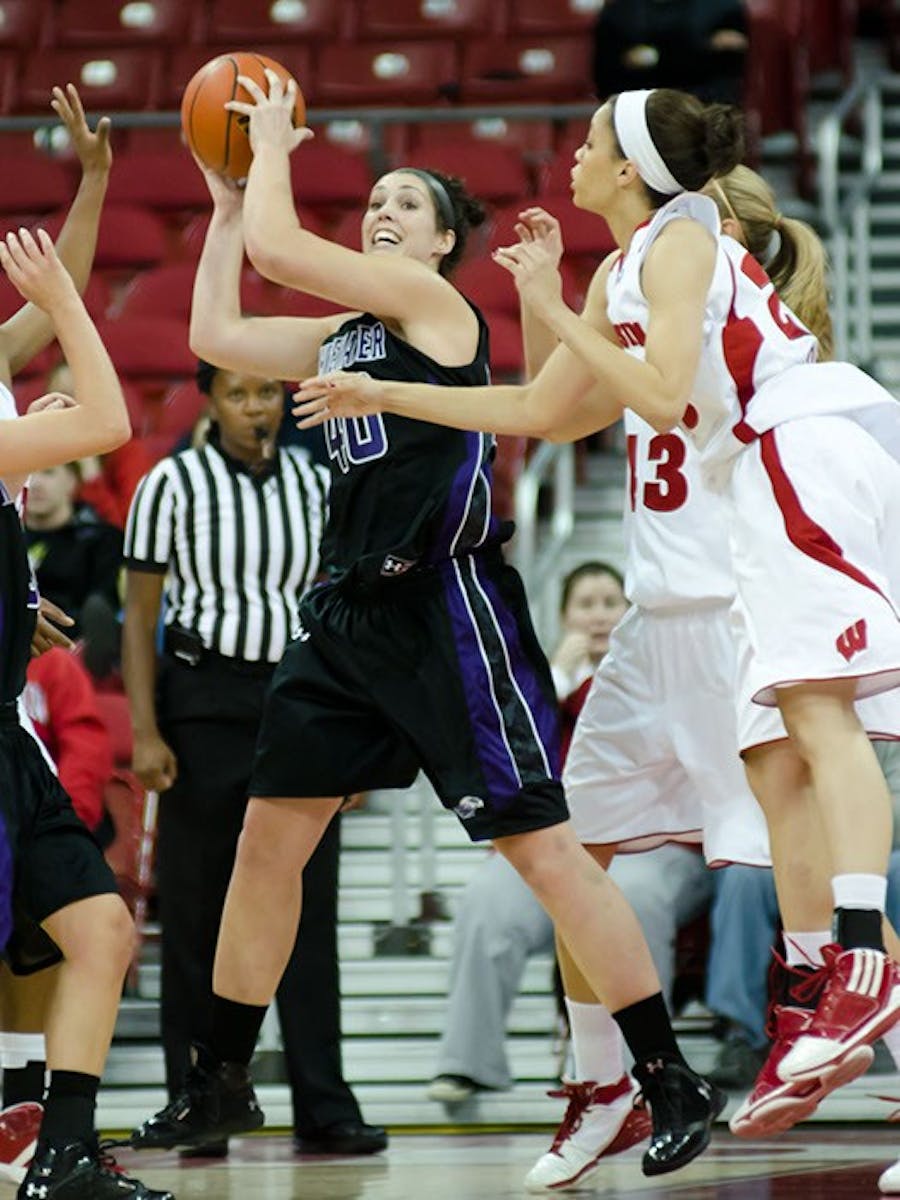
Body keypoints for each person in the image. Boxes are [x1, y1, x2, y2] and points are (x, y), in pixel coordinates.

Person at [128, 71, 725, 1179]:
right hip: (343, 614)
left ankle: (666, 1076)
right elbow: (216, 327)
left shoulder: (436, 310)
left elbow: (283, 251)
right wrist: (225, 205)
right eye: (376, 201)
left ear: (445, 243)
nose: (384, 211)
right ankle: (218, 1078)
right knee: (267, 843)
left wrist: (271, 149)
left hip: (448, 606)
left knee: (543, 851)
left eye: (408, 203)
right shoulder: (343, 335)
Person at [294, 88, 900, 1159]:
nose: (569, 155)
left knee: (795, 808)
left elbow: (658, 396)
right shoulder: (625, 272)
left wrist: (552, 304)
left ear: (633, 168)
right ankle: (605, 1080)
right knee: (578, 850)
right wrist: (390, 395)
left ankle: (841, 982)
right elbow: (541, 410)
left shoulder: (687, 244)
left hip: (731, 602)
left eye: (587, 143)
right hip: (656, 616)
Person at [122, 356, 385, 1159]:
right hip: (204, 704)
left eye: (265, 391)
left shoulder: (318, 484)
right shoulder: (171, 484)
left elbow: (346, 611)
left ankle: (324, 1104)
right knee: (197, 913)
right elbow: (139, 615)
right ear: (208, 401)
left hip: (302, 699)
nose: (253, 406)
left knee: (307, 909)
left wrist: (356, 733)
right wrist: (145, 730)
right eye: (236, 393)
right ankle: (196, 1100)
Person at [0, 221, 168, 1200]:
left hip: (11, 735)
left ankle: (61, 1153)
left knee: (101, 932)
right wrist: (65, 299)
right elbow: (108, 423)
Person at [42, 360, 153, 533]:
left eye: (80, 394)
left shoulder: (129, 452)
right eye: (60, 396)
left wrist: (91, 477)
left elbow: (128, 530)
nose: (70, 404)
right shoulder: (38, 448)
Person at [592, 0, 748, 105]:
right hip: (640, 103)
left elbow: (734, 61)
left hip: (704, 100)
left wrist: (655, 57)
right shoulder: (619, 14)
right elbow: (606, 73)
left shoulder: (721, 9)